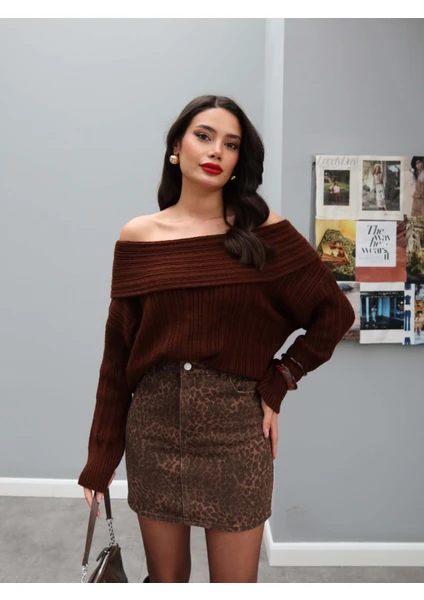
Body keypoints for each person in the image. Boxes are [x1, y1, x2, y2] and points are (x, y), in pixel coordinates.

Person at [78, 95, 355, 584]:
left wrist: (280, 379)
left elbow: (336, 315)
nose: (216, 151)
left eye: (231, 144)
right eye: (204, 136)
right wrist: (101, 456)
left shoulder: (266, 234)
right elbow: (117, 354)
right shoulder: (139, 236)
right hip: (154, 433)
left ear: (238, 161)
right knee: (167, 583)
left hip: (236, 435)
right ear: (176, 147)